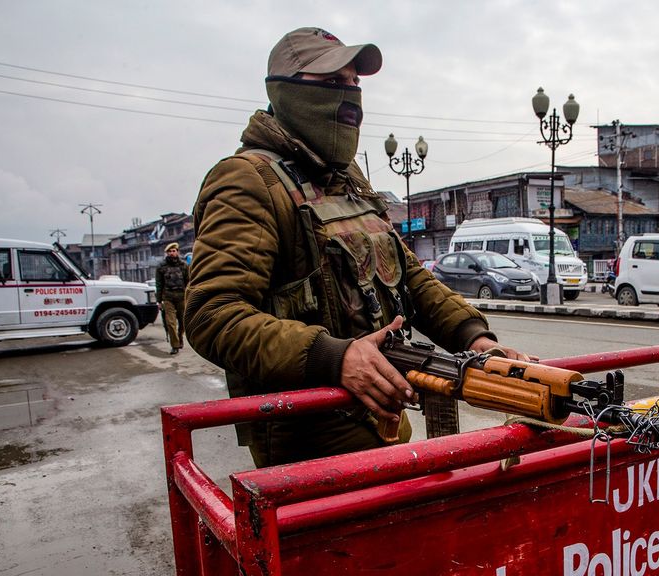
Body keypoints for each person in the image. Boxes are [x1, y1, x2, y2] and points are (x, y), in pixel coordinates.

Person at [185, 27, 533, 467]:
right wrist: (336, 357)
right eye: (332, 83)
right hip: (310, 451)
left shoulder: (349, 180)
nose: (348, 97)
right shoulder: (248, 181)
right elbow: (212, 314)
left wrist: (476, 338)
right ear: (286, 92)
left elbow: (408, 276)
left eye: (354, 84)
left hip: (385, 424)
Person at [156, 242, 188, 355]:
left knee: (183, 322)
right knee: (170, 323)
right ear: (167, 253)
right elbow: (159, 284)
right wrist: (159, 301)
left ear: (177, 252)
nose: (172, 253)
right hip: (168, 298)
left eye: (173, 251)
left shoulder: (184, 266)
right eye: (169, 251)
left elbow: (188, 282)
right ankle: (175, 345)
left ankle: (180, 337)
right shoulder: (161, 267)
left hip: (182, 297)